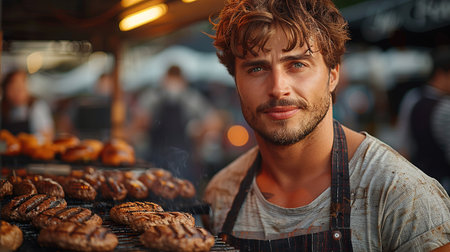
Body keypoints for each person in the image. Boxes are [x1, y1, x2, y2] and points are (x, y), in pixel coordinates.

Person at [202, 0, 450, 251]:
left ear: (333, 75)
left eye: (297, 64)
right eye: (256, 68)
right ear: (236, 81)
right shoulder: (221, 194)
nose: (278, 87)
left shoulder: (402, 194)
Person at [136, 65, 215, 182]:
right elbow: (139, 121)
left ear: (183, 81)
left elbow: (213, 121)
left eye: (176, 79)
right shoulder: (153, 97)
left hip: (183, 157)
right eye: (170, 79)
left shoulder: (191, 98)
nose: (173, 84)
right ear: (163, 80)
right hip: (155, 155)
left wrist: (198, 134)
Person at [396, 48, 450, 193]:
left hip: (420, 181)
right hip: (443, 184)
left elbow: (404, 144)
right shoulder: (445, 107)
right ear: (441, 74)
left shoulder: (413, 97)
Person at [1, 69, 54, 142]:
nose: (17, 93)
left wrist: (28, 141)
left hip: (32, 151)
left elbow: (47, 135)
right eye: (13, 88)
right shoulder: (3, 108)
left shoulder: (36, 106)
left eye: (20, 88)